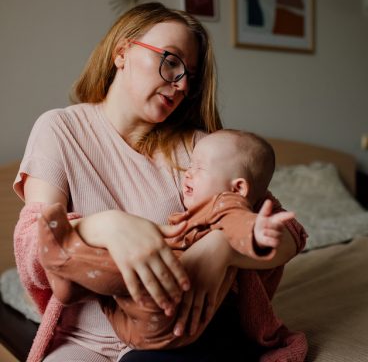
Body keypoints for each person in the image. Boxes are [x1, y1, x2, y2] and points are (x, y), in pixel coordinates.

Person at [13, 2, 307, 362]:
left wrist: (221, 249)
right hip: (86, 340)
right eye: (171, 61)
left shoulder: (199, 149)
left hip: (179, 336)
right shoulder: (60, 130)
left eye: (191, 75)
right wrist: (102, 226)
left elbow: (288, 231)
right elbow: (34, 246)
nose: (182, 83)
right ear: (123, 52)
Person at [36, 129, 296, 351]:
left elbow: (240, 222)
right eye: (189, 166)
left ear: (237, 188)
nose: (188, 174)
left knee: (136, 271)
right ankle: (73, 284)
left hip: (177, 313)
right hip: (137, 327)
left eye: (199, 168)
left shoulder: (226, 204)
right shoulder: (189, 216)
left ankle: (69, 263)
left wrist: (256, 232)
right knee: (118, 281)